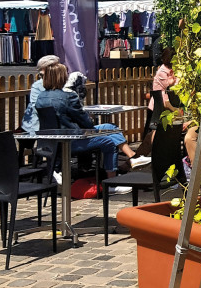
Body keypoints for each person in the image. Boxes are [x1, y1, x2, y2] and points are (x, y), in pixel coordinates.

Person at [35, 62, 147, 192]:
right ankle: (111, 184)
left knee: (110, 127)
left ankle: (132, 157)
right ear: (61, 78)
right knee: (108, 142)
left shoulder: (41, 97)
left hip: (51, 142)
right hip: (71, 141)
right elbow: (85, 123)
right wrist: (91, 125)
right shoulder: (68, 97)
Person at [21, 54, 61, 135]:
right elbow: (36, 106)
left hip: (55, 123)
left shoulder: (61, 82)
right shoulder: (37, 85)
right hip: (38, 124)